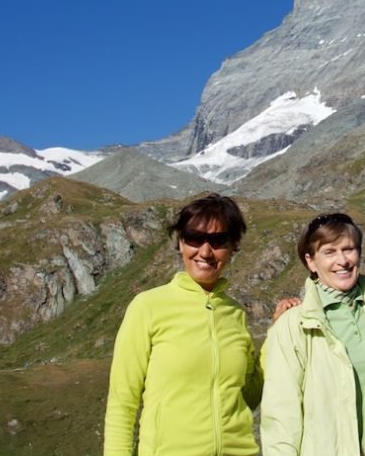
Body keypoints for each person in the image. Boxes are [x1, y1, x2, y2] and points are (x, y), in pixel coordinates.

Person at [103, 193, 262, 456]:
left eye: (218, 240)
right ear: (180, 243)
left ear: (233, 246)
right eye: (194, 238)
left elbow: (246, 398)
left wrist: (279, 335)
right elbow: (122, 403)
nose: (205, 251)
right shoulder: (148, 307)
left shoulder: (235, 313)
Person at [260, 213, 365, 455]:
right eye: (329, 252)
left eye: (349, 249)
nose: (343, 260)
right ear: (310, 261)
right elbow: (280, 418)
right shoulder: (293, 325)